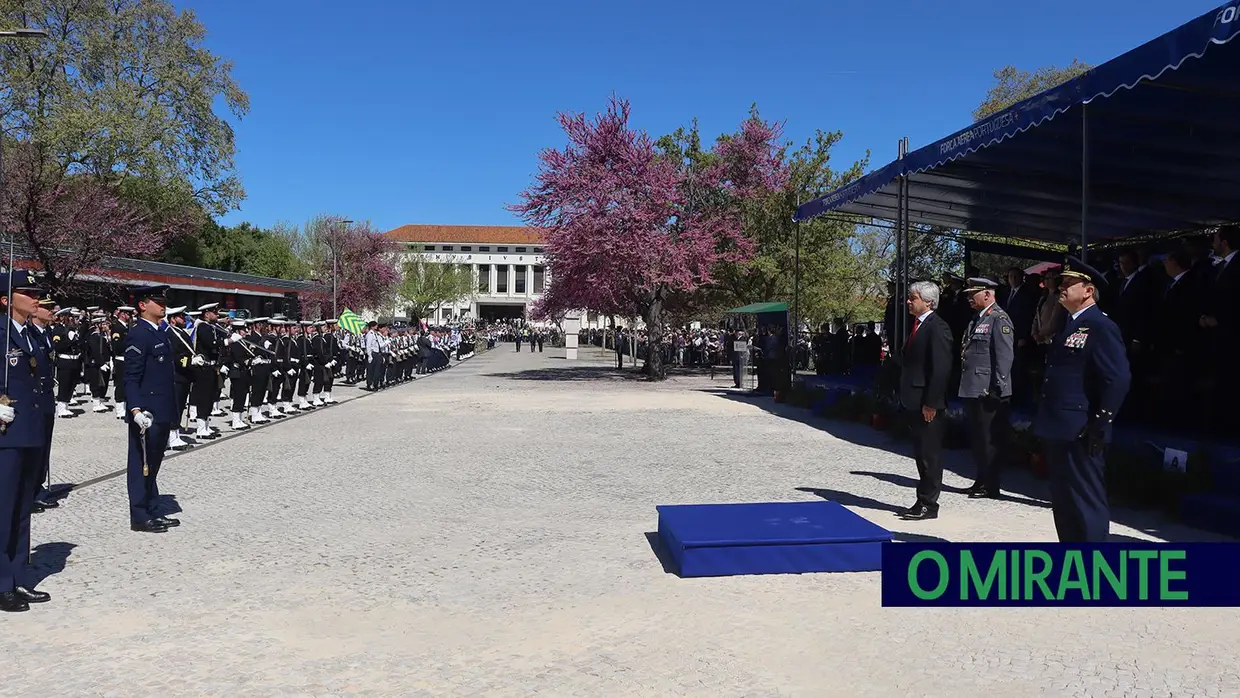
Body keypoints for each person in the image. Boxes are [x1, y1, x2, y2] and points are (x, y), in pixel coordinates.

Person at [1034, 257, 1130, 542]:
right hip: (1060, 426)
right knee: (1064, 503)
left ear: (1088, 290)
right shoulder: (1070, 324)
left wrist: (1100, 423)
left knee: (1086, 503)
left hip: (1082, 429)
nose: (1060, 288)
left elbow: (1117, 378)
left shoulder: (1100, 326)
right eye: (1060, 283)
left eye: (1067, 283)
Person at [0, 270, 51, 611]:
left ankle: (19, 577)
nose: (36, 297)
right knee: (3, 510)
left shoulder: (32, 334)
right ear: (6, 299)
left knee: (21, 510)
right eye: (26, 292)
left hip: (31, 430)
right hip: (7, 433)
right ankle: (2, 582)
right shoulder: (1, 334)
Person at [123, 285, 180, 533]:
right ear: (142, 305)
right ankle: (139, 514)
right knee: (141, 463)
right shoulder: (139, 334)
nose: (163, 305)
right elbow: (131, 377)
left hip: (162, 407)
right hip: (147, 410)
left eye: (163, 301)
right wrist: (135, 409)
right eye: (157, 300)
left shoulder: (160, 333)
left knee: (154, 462)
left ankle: (151, 505)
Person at [897, 280, 954, 521]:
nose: (909, 302)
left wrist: (931, 402)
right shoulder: (919, 325)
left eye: (914, 298)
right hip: (914, 398)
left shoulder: (937, 327)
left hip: (927, 402)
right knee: (920, 453)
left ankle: (929, 503)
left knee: (929, 454)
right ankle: (922, 499)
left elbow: (941, 369)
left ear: (928, 302)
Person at [956, 277, 1015, 499]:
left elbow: (1004, 356)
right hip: (973, 386)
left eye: (974, 294)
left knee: (989, 439)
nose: (969, 298)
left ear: (988, 294)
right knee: (978, 437)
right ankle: (981, 479)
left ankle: (991, 484)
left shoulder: (999, 319)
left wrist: (998, 388)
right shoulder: (977, 319)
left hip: (988, 389)